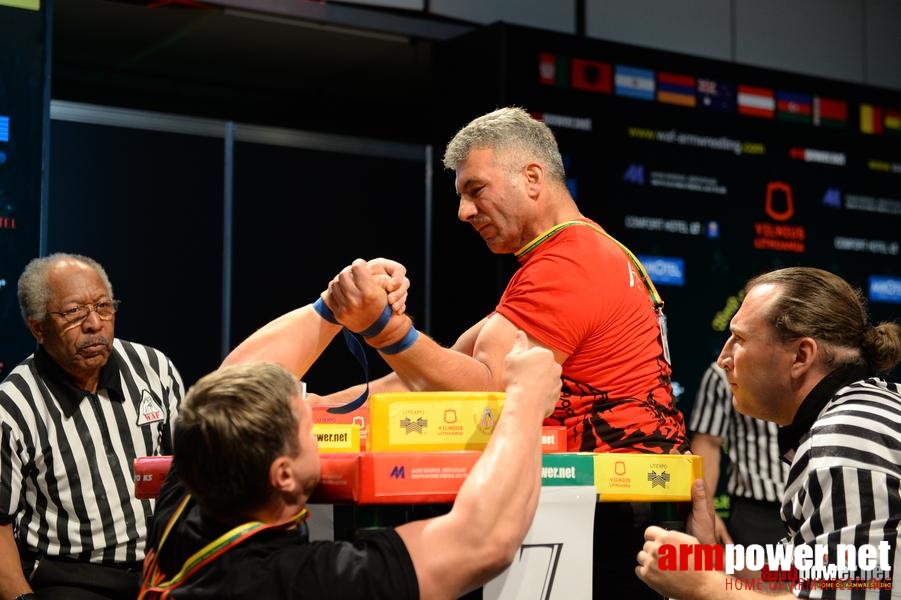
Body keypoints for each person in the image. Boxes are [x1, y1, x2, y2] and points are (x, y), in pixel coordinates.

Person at [315, 106, 688, 598]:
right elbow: (432, 373)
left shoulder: (569, 264)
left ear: (532, 178)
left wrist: (383, 330)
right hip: (609, 505)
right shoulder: (582, 251)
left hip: (604, 513)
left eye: (475, 190)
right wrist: (314, 412)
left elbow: (489, 389)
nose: (463, 212)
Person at [138, 268, 562, 599]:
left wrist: (334, 306)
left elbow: (234, 380)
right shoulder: (301, 582)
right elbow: (481, 540)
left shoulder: (190, 502)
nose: (317, 411)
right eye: (309, 422)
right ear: (283, 475)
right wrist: (525, 400)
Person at [636, 267, 901, 599]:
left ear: (801, 356)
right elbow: (807, 575)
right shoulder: (863, 413)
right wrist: (708, 558)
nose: (723, 359)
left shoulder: (846, 441)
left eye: (740, 339)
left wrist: (706, 587)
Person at [0, 253, 184, 600]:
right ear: (37, 327)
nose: (94, 323)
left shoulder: (153, 368)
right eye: (73, 313)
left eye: (103, 306)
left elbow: (191, 472)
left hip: (160, 565)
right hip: (70, 577)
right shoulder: (12, 406)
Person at [689, 361, 788, 546]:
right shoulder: (723, 373)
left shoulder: (819, 366)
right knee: (755, 575)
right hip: (755, 513)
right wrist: (706, 511)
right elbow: (708, 443)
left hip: (816, 503)